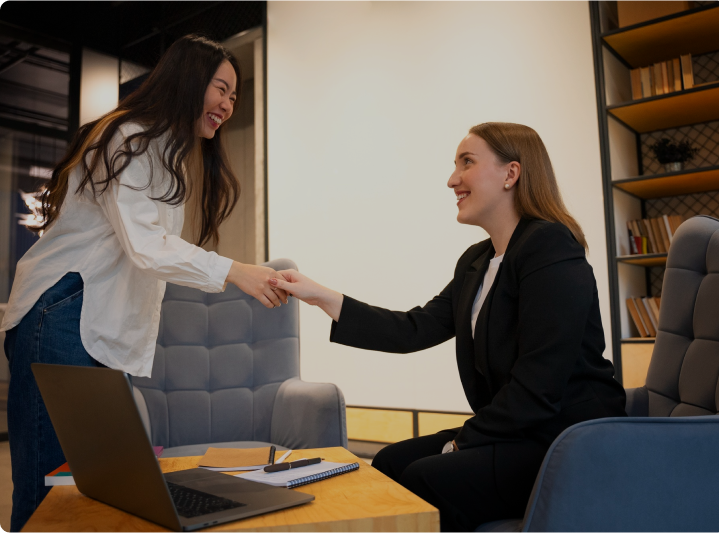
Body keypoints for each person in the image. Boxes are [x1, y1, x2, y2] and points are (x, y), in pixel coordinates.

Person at [268, 122, 627, 532]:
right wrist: (322, 297)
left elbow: (539, 383)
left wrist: (460, 443)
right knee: (386, 463)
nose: (452, 179)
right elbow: (414, 328)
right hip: (519, 429)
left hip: (565, 439)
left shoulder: (550, 246)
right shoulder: (476, 260)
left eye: (467, 163)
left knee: (427, 477)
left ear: (511, 174)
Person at [1, 35, 288, 532]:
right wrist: (236, 270)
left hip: (92, 326)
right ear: (188, 79)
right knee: (49, 495)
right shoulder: (127, 136)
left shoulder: (166, 152)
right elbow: (146, 246)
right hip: (62, 315)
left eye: (235, 96)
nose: (227, 104)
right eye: (221, 88)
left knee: (103, 492)